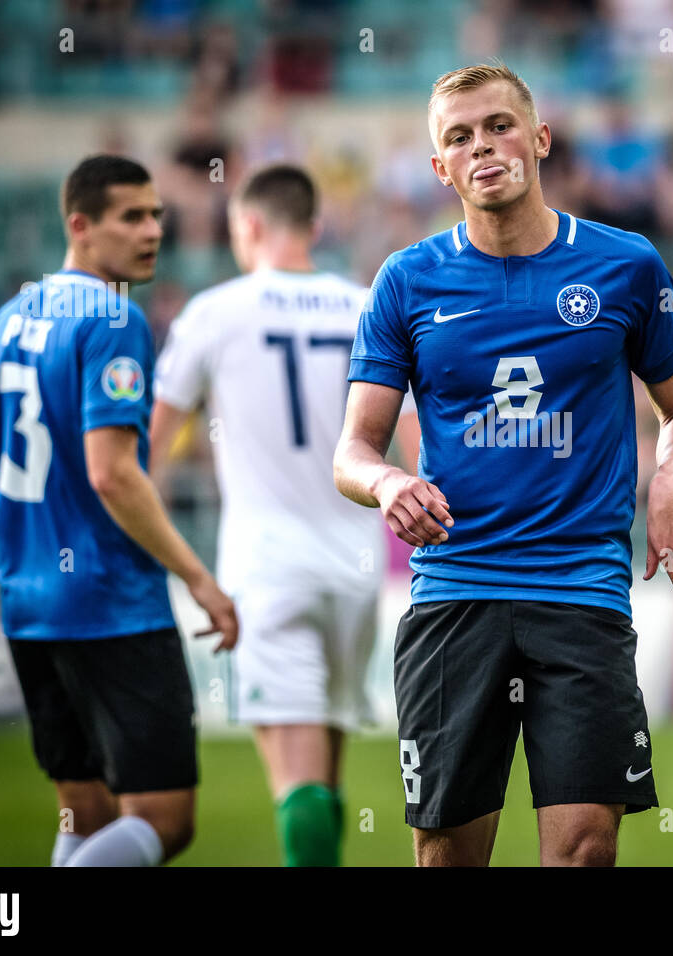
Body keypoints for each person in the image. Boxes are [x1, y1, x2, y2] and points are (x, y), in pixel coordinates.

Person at [334, 63, 673, 867]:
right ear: (441, 168)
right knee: (447, 858)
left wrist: (671, 482)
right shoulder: (405, 282)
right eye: (459, 137)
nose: (484, 147)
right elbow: (354, 451)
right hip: (454, 595)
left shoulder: (626, 266)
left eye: (500, 126)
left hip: (581, 593)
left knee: (585, 853)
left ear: (538, 140)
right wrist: (389, 481)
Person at [0, 154, 238, 867]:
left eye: (157, 214)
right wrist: (197, 576)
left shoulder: (10, 317)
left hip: (30, 605)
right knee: (165, 820)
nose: (153, 231)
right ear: (80, 225)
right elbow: (113, 475)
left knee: (85, 814)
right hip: (112, 605)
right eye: (131, 217)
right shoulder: (113, 316)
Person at [150, 163, 413, 866]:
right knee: (326, 770)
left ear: (251, 226)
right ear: (316, 228)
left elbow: (148, 445)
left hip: (267, 566)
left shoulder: (216, 311)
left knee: (296, 780)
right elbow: (413, 442)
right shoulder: (367, 306)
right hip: (356, 566)